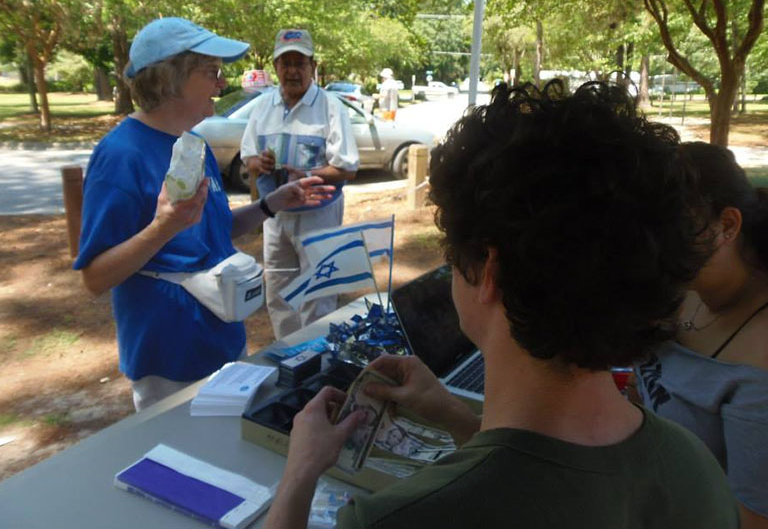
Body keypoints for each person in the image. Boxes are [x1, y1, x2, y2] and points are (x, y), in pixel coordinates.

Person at [263, 81, 739, 529]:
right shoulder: (693, 467)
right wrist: (455, 416)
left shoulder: (399, 518)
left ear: (488, 272)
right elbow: (548, 479)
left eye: (451, 253)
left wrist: (299, 472)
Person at [74, 17, 334, 412]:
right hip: (169, 361)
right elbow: (95, 277)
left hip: (223, 341)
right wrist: (163, 227)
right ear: (171, 79)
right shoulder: (121, 155)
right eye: (211, 72)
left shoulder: (194, 145)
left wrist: (272, 203)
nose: (220, 84)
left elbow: (215, 231)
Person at [635, 141, 768, 528]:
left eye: (669, 231)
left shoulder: (759, 361)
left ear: (727, 225)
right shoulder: (682, 290)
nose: (651, 250)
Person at [240, 29, 359, 339]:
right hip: (275, 216)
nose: (292, 70)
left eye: (299, 62)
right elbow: (247, 157)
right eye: (285, 62)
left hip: (318, 214)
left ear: (312, 66)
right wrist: (258, 164)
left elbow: (347, 168)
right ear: (276, 67)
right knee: (278, 289)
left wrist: (307, 176)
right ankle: (288, 354)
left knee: (319, 289)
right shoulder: (263, 106)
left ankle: (318, 356)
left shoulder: (331, 107)